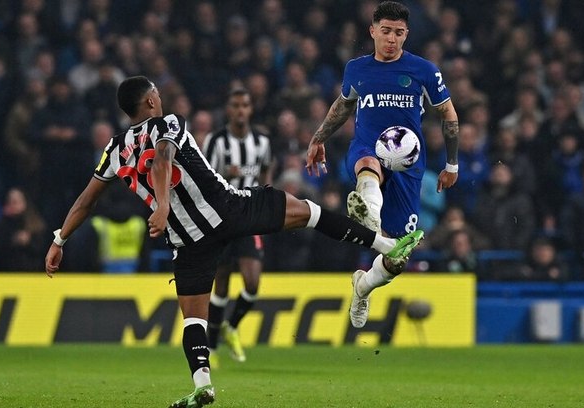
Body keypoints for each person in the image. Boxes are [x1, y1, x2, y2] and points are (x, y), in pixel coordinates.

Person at [44, 76, 423, 408]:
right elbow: (162, 157)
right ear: (150, 101)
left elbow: (86, 200)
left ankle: (203, 385)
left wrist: (60, 239)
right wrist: (161, 205)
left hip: (188, 239)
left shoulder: (114, 149)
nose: (159, 96)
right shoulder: (168, 122)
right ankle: (386, 247)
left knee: (193, 316)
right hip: (228, 209)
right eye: (156, 92)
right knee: (309, 211)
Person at [305, 1, 459, 328]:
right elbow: (343, 105)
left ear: (407, 35)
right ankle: (369, 212)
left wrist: (453, 164)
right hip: (368, 145)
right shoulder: (356, 69)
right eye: (386, 31)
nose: (391, 39)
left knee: (398, 257)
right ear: (372, 30)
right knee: (366, 163)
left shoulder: (424, 70)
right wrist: (319, 138)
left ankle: (363, 287)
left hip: (408, 163)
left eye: (399, 33)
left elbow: (447, 113)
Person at [201, 88, 273, 367]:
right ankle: (212, 347)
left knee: (252, 283)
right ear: (228, 110)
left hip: (250, 220)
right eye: (236, 105)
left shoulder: (262, 141)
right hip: (222, 220)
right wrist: (222, 176)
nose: (241, 110)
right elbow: (204, 176)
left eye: (245, 105)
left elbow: (267, 172)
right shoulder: (215, 141)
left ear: (251, 109)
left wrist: (265, 204)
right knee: (220, 287)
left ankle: (231, 327)